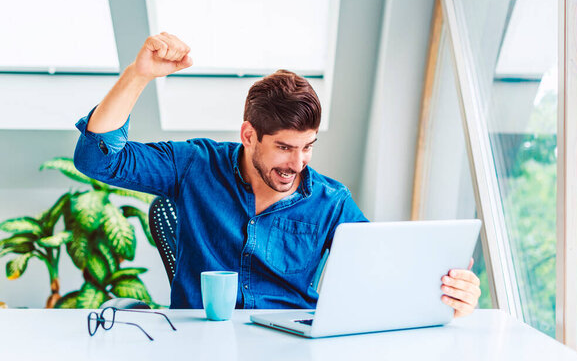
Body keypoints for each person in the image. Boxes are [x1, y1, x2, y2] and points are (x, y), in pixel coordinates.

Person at [74, 32, 481, 316]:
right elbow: (98, 159)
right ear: (249, 135)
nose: (298, 163)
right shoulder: (195, 164)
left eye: (307, 147)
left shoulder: (330, 202)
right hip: (201, 345)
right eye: (284, 148)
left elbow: (380, 274)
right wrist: (139, 74)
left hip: (293, 347)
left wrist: (448, 295)